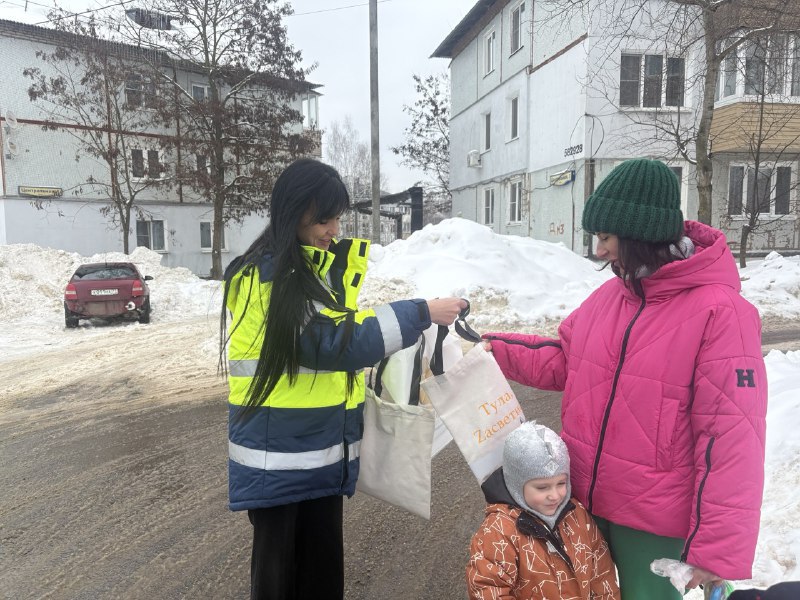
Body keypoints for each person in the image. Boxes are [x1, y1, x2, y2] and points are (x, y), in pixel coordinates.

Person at [483, 159, 767, 600]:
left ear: (640, 233)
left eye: (605, 237)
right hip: (585, 505)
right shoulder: (609, 297)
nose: (598, 251)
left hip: (652, 522)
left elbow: (732, 437)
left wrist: (715, 550)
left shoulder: (721, 313)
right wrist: (492, 350)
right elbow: (564, 360)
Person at [220, 158, 466, 600]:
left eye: (336, 218)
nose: (334, 229)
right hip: (279, 462)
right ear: (292, 212)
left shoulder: (302, 272)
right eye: (324, 219)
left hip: (312, 454)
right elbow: (332, 342)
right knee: (281, 582)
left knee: (320, 575)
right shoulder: (267, 277)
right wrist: (421, 313)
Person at [466, 421, 620, 600]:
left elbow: (601, 571)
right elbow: (487, 589)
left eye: (561, 483)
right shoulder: (499, 531)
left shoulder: (577, 513)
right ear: (517, 484)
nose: (555, 495)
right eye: (542, 487)